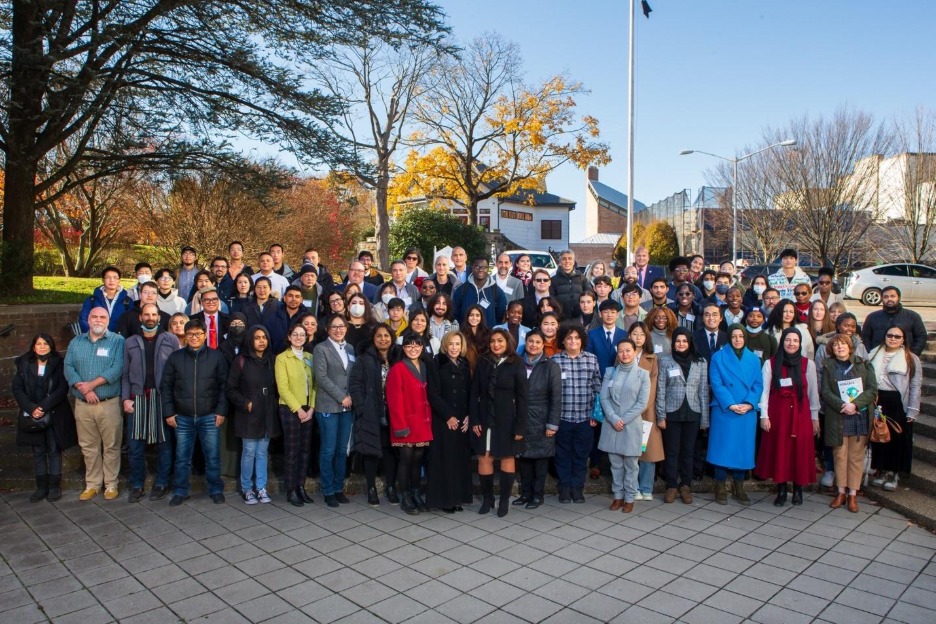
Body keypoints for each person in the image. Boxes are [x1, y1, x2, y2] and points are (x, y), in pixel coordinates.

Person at [160, 318, 229, 506]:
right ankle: (181, 491)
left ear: (205, 335)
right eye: (190, 334)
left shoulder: (216, 357)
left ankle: (215, 489)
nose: (194, 337)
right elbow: (166, 387)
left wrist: (221, 411)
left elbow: (224, 387)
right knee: (182, 458)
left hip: (210, 416)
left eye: (198, 334)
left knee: (212, 456)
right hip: (182, 417)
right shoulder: (175, 358)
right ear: (185, 335)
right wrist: (169, 412)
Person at [755, 328, 821, 507]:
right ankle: (781, 489)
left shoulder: (809, 365)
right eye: (788, 340)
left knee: (799, 451)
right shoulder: (771, 363)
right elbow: (765, 392)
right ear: (782, 342)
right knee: (781, 452)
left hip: (800, 413)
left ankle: (798, 489)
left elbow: (813, 393)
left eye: (795, 341)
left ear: (800, 344)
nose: (791, 344)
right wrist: (764, 415)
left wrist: (814, 418)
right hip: (779, 414)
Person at [64, 307, 125, 501]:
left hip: (108, 403)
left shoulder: (117, 341)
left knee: (111, 445)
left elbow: (117, 368)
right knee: (88, 446)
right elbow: (68, 367)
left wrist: (91, 385)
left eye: (102, 317)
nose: (98, 320)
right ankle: (92, 484)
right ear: (88, 320)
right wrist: (85, 390)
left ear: (108, 320)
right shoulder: (76, 342)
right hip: (83, 404)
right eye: (94, 317)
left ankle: (111, 484)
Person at [120, 304, 178, 502]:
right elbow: (125, 374)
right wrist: (126, 398)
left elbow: (176, 373)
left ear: (159, 317)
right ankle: (137, 484)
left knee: (164, 444)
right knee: (135, 445)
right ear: (140, 318)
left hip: (162, 398)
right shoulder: (130, 342)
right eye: (147, 314)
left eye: (154, 314)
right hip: (138, 398)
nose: (150, 317)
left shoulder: (171, 339)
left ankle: (161, 482)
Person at [12, 334, 78, 503]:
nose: (42, 346)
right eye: (38, 344)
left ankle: (55, 486)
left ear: (51, 346)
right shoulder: (24, 364)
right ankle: (41, 487)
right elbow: (17, 388)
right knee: (38, 451)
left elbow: (62, 388)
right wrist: (32, 408)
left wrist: (43, 407)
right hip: (32, 415)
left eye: (45, 344)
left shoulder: (59, 363)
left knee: (54, 449)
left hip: (54, 413)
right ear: (33, 347)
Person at [470, 329, 529, 516]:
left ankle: (504, 500)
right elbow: (474, 393)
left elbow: (522, 397)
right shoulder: (483, 362)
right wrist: (475, 419)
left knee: (507, 457)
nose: (496, 344)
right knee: (484, 457)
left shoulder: (517, 363)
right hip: (485, 417)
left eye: (500, 341)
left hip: (507, 419)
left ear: (508, 342)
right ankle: (488, 499)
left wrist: (520, 425)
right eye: (493, 341)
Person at [820, 333, 878, 513]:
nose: (840, 347)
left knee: (855, 457)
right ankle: (840, 492)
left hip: (859, 416)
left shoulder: (863, 364)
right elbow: (826, 392)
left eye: (843, 344)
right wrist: (843, 405)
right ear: (832, 348)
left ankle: (853, 494)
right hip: (838, 416)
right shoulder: (828, 365)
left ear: (849, 346)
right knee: (840, 456)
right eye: (836, 345)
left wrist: (855, 405)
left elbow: (872, 390)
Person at [707, 325, 763, 506]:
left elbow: (758, 385)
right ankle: (720, 486)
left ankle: (739, 487)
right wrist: (731, 404)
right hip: (725, 409)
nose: (738, 339)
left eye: (741, 336)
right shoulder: (718, 357)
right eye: (734, 336)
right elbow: (716, 383)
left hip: (746, 411)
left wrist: (748, 403)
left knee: (743, 450)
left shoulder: (754, 359)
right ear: (729, 338)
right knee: (721, 449)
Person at [227, 325, 281, 505]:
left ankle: (261, 487)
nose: (261, 341)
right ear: (250, 339)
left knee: (262, 452)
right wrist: (246, 403)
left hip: (267, 409)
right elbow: (231, 388)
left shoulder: (273, 360)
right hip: (249, 410)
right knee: (249, 451)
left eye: (264, 337)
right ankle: (247, 488)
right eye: (257, 337)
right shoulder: (241, 360)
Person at [656, 328, 709, 504]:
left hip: (693, 412)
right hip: (672, 411)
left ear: (690, 342)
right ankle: (671, 485)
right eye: (678, 341)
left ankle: (685, 485)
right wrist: (660, 415)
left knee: (688, 452)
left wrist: (704, 419)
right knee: (672, 452)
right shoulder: (665, 361)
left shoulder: (700, 362)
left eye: (684, 341)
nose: (681, 344)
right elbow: (661, 389)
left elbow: (703, 391)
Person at [349, 324, 400, 506]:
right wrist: (363, 408)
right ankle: (371, 488)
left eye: (386, 335)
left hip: (393, 413)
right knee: (370, 451)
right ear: (373, 338)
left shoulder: (398, 357)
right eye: (379, 336)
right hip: (371, 412)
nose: (383, 339)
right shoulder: (364, 359)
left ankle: (391, 487)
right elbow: (355, 385)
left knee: (391, 452)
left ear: (392, 338)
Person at [598, 339, 651, 513]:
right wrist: (614, 419)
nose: (624, 354)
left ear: (635, 352)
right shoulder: (610, 372)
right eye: (621, 351)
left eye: (628, 350)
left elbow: (642, 403)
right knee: (615, 464)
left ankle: (629, 497)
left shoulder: (643, 374)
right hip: (611, 424)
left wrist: (623, 420)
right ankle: (618, 496)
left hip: (631, 424)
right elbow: (604, 398)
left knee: (631, 464)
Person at [423, 331, 473, 512]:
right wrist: (448, 416)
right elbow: (433, 394)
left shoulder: (465, 363)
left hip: (462, 420)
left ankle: (457, 498)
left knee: (459, 461)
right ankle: (443, 501)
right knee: (444, 461)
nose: (454, 348)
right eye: (451, 344)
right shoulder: (436, 363)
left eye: (457, 344)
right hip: (444, 419)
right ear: (445, 345)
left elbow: (470, 392)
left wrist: (468, 415)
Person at [552, 323, 602, 504]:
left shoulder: (591, 359)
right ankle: (564, 488)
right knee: (562, 455)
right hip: (562, 418)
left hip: (585, 418)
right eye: (569, 338)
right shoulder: (555, 361)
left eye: (576, 337)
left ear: (582, 340)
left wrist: (596, 415)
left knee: (581, 455)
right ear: (563, 341)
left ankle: (577, 488)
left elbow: (598, 387)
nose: (573, 341)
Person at [869, 324, 922, 491]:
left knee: (897, 439)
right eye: (889, 335)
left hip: (898, 402)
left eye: (897, 336)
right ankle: (882, 470)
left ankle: (894, 474)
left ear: (904, 339)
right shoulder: (874, 353)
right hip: (877, 399)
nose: (892, 338)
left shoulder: (911, 358)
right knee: (879, 436)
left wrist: (913, 409)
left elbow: (915, 385)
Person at [386, 333, 434, 514]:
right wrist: (400, 427)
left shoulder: (425, 366)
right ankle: (405, 496)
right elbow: (394, 400)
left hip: (422, 422)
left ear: (422, 347)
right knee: (405, 461)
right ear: (403, 349)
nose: (413, 349)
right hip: (405, 423)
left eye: (417, 345)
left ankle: (415, 493)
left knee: (417, 461)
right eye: (409, 346)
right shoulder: (397, 369)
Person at [513, 330, 561, 510]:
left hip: (542, 418)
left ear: (543, 345)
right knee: (524, 458)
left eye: (537, 342)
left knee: (540, 460)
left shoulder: (551, 366)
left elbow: (556, 398)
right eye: (530, 341)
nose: (533, 345)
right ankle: (525, 493)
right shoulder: (517, 363)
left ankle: (537, 495)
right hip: (521, 418)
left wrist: (552, 424)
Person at [313, 314, 356, 507]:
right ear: (328, 329)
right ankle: (328, 489)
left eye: (341, 326)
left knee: (341, 450)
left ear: (346, 328)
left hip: (348, 407)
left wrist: (353, 396)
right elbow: (321, 377)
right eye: (334, 327)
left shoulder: (350, 348)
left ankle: (339, 487)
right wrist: (342, 397)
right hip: (329, 405)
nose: (338, 330)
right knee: (328, 449)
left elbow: (352, 375)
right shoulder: (320, 348)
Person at [276, 323, 316, 506]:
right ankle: (291, 489)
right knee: (292, 450)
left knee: (305, 450)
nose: (299, 337)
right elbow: (283, 388)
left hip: (308, 408)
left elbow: (315, 385)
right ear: (289, 336)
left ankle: (301, 486)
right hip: (290, 408)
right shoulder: (282, 358)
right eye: (295, 334)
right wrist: (298, 409)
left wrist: (312, 407)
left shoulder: (310, 357)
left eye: (302, 335)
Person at [629, 322, 663, 500]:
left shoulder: (652, 358)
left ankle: (646, 488)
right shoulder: (622, 355)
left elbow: (653, 385)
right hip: (626, 411)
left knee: (648, 451)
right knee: (629, 451)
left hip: (647, 410)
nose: (638, 338)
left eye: (641, 334)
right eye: (634, 334)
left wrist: (641, 406)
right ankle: (632, 488)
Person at [861, 286, 927, 356]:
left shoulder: (912, 316)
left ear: (899, 298)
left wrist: (911, 355)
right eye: (886, 297)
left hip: (905, 358)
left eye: (892, 296)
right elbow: (866, 337)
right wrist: (871, 353)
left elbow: (921, 337)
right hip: (877, 358)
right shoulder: (872, 317)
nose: (889, 299)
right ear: (882, 299)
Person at [453, 256, 507, 328]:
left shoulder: (497, 291)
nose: (480, 270)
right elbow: (455, 313)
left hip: (488, 335)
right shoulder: (461, 290)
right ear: (472, 268)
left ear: (488, 269)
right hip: (466, 335)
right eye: (477, 267)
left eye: (484, 267)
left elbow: (500, 315)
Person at [78, 266, 132, 333]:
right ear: (103, 280)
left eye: (115, 277)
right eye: (108, 277)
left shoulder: (127, 301)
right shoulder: (92, 300)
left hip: (120, 340)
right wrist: (93, 334)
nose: (111, 280)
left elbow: (131, 322)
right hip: (96, 340)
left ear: (119, 280)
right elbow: (83, 319)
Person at [588, 300, 628, 372]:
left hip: (619, 377)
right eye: (606, 312)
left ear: (617, 315)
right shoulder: (592, 334)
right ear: (600, 314)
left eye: (613, 312)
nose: (609, 315)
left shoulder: (625, 335)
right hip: (598, 377)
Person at [550, 250, 590, 317]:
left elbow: (589, 294)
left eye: (570, 258)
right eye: (564, 259)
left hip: (580, 316)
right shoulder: (553, 280)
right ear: (560, 262)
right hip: (561, 317)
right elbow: (551, 298)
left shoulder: (582, 278)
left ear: (574, 262)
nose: (567, 261)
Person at [463, 304, 491, 371]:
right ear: (467, 317)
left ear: (481, 317)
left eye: (477, 315)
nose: (474, 318)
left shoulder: (488, 333)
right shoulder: (461, 334)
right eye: (471, 315)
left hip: (484, 370)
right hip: (468, 370)